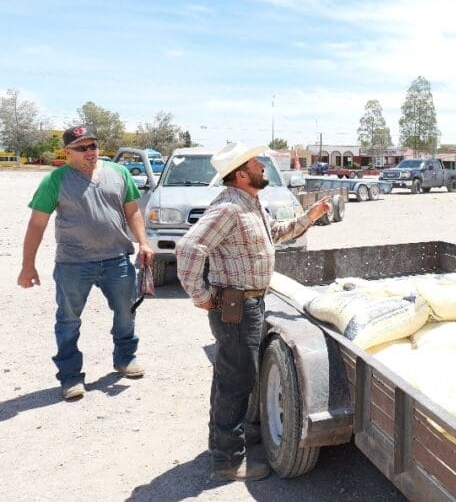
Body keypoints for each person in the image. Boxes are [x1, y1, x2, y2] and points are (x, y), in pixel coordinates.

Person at [175, 142, 332, 482]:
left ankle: (231, 438)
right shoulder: (230, 207)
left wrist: (309, 217)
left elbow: (274, 235)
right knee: (236, 380)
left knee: (235, 374)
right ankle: (228, 461)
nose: (263, 165)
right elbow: (189, 246)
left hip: (248, 302)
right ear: (241, 173)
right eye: (257, 162)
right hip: (234, 305)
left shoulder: (250, 204)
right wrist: (199, 294)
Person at [17, 124, 154, 400]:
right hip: (73, 264)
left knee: (126, 311)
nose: (90, 152)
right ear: (68, 152)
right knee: (68, 320)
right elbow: (37, 224)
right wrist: (28, 264)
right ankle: (70, 376)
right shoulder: (55, 180)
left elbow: (133, 213)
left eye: (93, 145)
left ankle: (125, 358)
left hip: (116, 259)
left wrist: (143, 242)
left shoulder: (119, 173)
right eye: (81, 148)